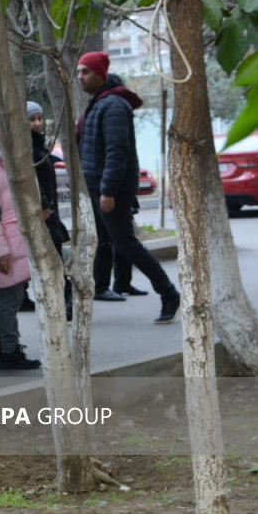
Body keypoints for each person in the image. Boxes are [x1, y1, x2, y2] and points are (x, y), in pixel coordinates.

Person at [75, 51, 180, 323]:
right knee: (114, 241)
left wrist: (108, 191)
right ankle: (108, 286)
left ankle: (169, 293)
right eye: (78, 72)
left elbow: (116, 152)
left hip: (110, 191)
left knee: (127, 244)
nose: (80, 77)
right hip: (98, 188)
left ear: (100, 74)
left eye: (85, 72)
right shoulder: (99, 104)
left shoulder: (113, 106)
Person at [0, 114, 40, 370]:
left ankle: (4, 348)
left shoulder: (6, 170)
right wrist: (1, 253)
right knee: (8, 303)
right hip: (7, 252)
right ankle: (8, 351)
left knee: (11, 301)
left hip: (16, 248)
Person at [22, 101, 73, 320]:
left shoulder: (39, 145)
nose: (37, 123)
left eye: (39, 118)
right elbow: (33, 181)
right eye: (32, 119)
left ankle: (64, 300)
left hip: (49, 210)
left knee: (55, 256)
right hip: (43, 212)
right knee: (54, 258)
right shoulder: (26, 148)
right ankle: (65, 301)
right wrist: (43, 204)